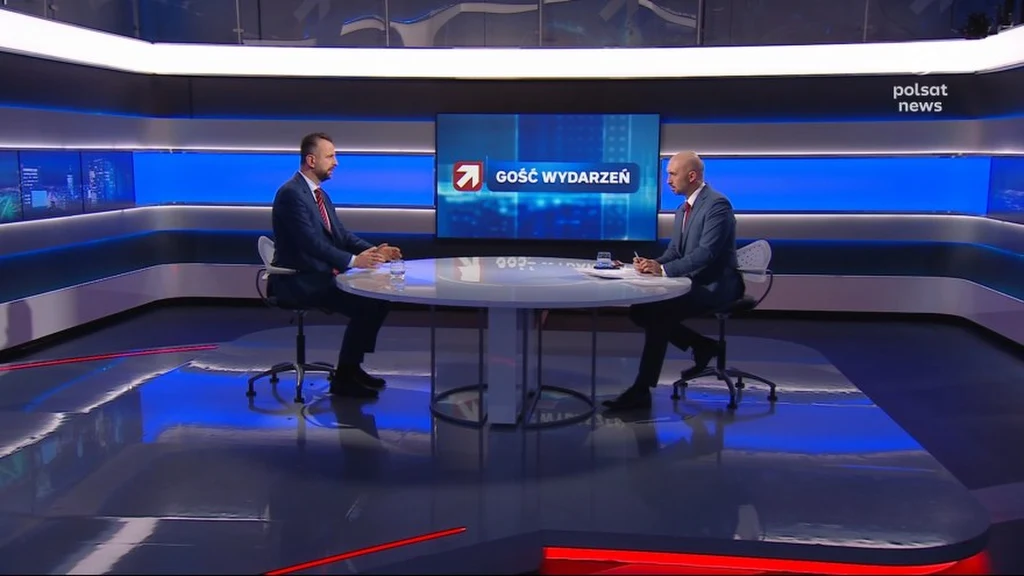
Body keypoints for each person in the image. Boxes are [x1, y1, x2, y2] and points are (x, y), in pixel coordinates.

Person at [604, 151, 744, 411]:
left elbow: (706, 254)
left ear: (691, 176)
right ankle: (701, 345)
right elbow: (675, 252)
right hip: (693, 281)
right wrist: (652, 263)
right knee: (640, 310)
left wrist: (664, 269)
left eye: (672, 174)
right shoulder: (682, 209)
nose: (667, 180)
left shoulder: (717, 205)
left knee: (658, 312)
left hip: (717, 285)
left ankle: (642, 389)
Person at [268, 132, 402, 399]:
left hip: (318, 274)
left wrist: (373, 251)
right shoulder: (291, 195)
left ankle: (352, 368)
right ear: (311, 160)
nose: (336, 162)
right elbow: (310, 243)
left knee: (379, 298)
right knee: (368, 303)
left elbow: (342, 235)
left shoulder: (319, 195)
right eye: (330, 156)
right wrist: (353, 261)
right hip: (298, 280)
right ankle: (344, 378)